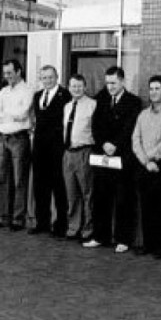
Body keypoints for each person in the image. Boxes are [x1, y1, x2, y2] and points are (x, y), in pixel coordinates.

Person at [84, 67, 142, 253]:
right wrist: (103, 144)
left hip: (122, 156)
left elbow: (130, 128)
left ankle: (123, 239)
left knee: (124, 198)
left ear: (123, 81)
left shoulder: (133, 102)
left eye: (113, 83)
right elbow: (95, 125)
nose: (110, 87)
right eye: (107, 83)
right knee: (101, 197)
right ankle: (100, 235)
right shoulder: (100, 100)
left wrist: (115, 144)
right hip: (102, 156)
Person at [132, 75, 161, 259]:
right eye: (151, 89)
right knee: (146, 206)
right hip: (144, 166)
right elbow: (135, 139)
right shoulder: (143, 114)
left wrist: (152, 156)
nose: (153, 92)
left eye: (157, 88)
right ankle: (148, 244)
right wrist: (145, 160)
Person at [0, 59, 34, 231]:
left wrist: (5, 114)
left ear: (19, 71)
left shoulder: (28, 90)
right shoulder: (3, 91)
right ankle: (1, 216)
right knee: (1, 178)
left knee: (19, 179)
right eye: (5, 73)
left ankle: (17, 218)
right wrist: (10, 115)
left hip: (18, 138)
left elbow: (23, 114)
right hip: (2, 138)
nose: (6, 76)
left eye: (9, 73)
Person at [30, 65, 71, 236]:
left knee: (58, 186)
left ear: (57, 77)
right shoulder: (38, 96)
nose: (47, 80)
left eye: (50, 77)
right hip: (40, 148)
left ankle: (60, 225)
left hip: (56, 148)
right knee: (40, 186)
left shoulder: (65, 95)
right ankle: (42, 222)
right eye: (44, 78)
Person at [62, 74, 97, 242]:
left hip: (84, 152)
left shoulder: (92, 105)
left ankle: (88, 229)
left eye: (79, 86)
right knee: (71, 193)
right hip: (68, 153)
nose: (76, 89)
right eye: (73, 86)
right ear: (69, 87)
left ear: (85, 87)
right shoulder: (67, 106)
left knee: (87, 193)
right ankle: (73, 227)